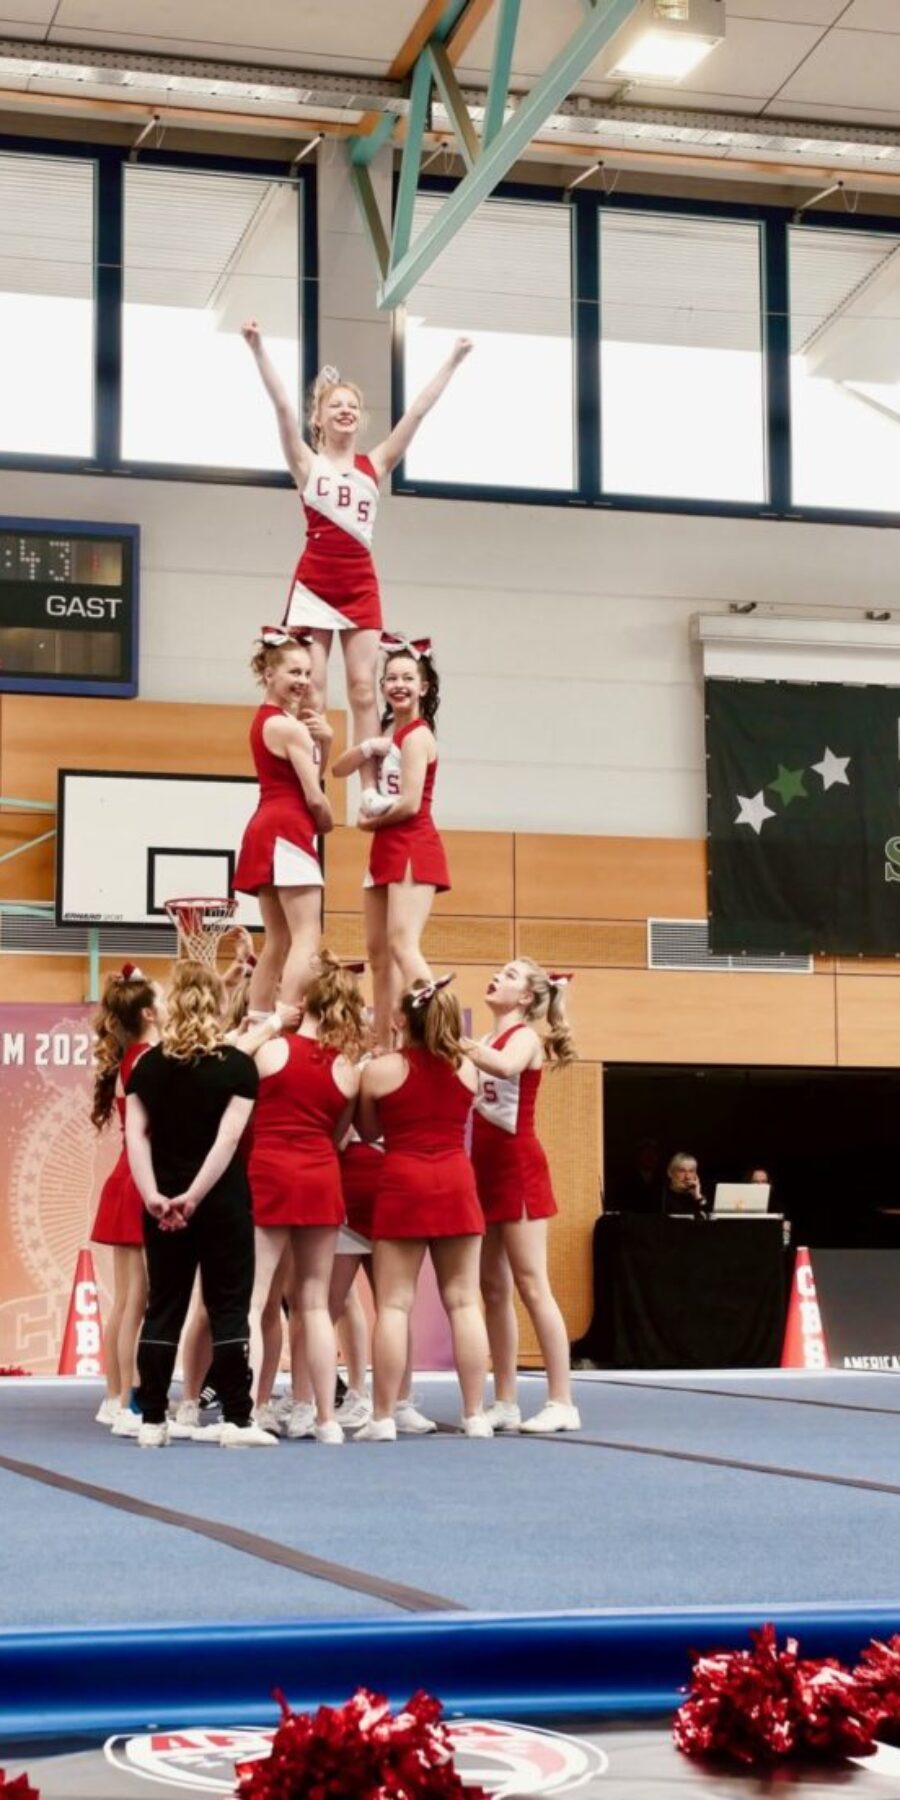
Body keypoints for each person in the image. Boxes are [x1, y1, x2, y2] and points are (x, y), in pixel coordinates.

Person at [241, 320, 471, 808]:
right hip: (314, 583)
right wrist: (259, 347)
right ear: (319, 418)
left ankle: (367, 787)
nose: (345, 412)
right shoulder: (306, 464)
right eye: (335, 406)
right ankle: (314, 782)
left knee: (365, 689)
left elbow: (417, 413)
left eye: (353, 407)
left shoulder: (376, 464)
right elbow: (282, 407)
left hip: (359, 583)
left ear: (359, 419)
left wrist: (453, 359)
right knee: (314, 691)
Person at [125, 960, 272, 1449]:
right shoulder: (237, 1066)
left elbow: (136, 1139)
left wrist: (155, 1196)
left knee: (163, 1305)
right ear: (219, 1004)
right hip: (220, 1200)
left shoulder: (147, 1065)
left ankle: (151, 1420)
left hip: (163, 1202)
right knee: (228, 1305)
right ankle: (236, 1418)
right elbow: (226, 1141)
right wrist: (196, 1196)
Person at [355, 976, 491, 1441]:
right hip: (455, 1180)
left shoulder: (381, 1071)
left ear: (399, 1019)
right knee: (464, 1301)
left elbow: (369, 1132)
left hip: (404, 1181)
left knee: (393, 1304)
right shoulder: (467, 1068)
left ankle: (382, 1417)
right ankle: (475, 1414)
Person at [246, 951, 365, 1444]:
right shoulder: (347, 1069)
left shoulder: (273, 1050)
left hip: (271, 1170)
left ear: (303, 1003)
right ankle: (326, 1419)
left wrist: (274, 1019)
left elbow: (230, 1062)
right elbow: (341, 1133)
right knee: (315, 1304)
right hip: (320, 1175)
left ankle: (250, 1411)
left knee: (256, 1303)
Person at [465, 960, 581, 1435]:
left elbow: (506, 1068)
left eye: (510, 975)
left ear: (528, 998)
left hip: (518, 1167)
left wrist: (452, 1039)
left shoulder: (524, 1039)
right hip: (484, 1171)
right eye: (498, 971)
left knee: (532, 1285)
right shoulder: (488, 1040)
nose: (497, 977)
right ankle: (506, 1398)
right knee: (492, 1289)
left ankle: (562, 1400)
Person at [333, 638, 449, 1047]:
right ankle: (383, 1041)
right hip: (384, 846)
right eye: (391, 678)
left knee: (403, 944)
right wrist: (367, 745)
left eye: (407, 678)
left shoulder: (418, 736)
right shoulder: (387, 732)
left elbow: (412, 804)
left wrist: (368, 823)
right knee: (378, 955)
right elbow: (339, 769)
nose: (398, 685)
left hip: (412, 844)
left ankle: (438, 1034)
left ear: (424, 687)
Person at [233, 628, 333, 1015]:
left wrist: (325, 743)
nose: (303, 682)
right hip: (288, 828)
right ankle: (287, 1016)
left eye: (307, 673)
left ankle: (258, 1018)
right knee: (307, 934)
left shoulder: (266, 722)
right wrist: (325, 821)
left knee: (278, 939)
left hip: (268, 826)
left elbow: (307, 772)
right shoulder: (289, 727)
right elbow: (314, 794)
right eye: (294, 672)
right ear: (268, 674)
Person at [89, 964, 160, 1433]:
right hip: (140, 1179)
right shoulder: (150, 1060)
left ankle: (115, 1396)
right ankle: (128, 1397)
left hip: (127, 1178)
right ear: (151, 1014)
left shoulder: (129, 1056)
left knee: (127, 1299)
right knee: (137, 1298)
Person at [662, 1152, 709, 1217]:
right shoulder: (662, 1196)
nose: (687, 1177)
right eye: (682, 1171)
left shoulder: (699, 1197)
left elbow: (709, 1218)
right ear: (670, 1173)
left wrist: (697, 1196)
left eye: (691, 1171)